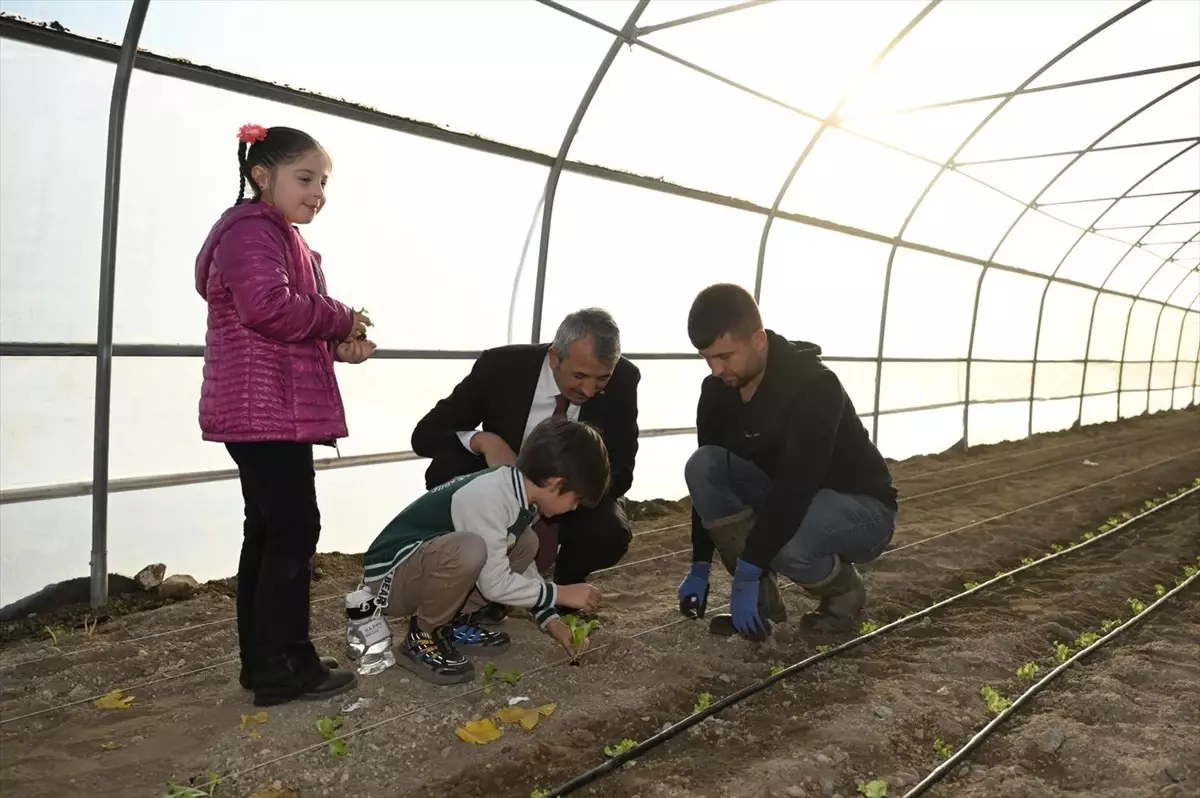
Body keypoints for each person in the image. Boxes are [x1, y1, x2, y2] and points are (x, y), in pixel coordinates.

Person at [196, 123, 375, 707]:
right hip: (263, 407)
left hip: (272, 406)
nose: (317, 192)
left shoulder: (282, 238)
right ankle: (287, 664)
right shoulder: (252, 229)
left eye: (323, 182)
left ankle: (263, 664)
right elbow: (267, 307)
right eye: (305, 178)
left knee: (269, 531)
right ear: (261, 175)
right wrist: (341, 317)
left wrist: (338, 344)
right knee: (294, 530)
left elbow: (292, 324)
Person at [676, 283, 898, 639]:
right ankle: (763, 609)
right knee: (703, 465)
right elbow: (711, 483)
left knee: (787, 542)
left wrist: (747, 569)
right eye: (707, 358)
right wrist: (700, 563)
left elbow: (797, 483)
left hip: (861, 508)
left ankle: (844, 593)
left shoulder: (814, 386)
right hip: (791, 498)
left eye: (725, 356)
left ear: (759, 340)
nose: (716, 370)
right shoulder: (717, 392)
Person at [411, 308, 639, 620]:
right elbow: (424, 435)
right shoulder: (501, 367)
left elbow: (622, 470)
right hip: (496, 494)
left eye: (602, 379)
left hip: (566, 499)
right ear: (554, 357)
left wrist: (560, 493)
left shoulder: (625, 380)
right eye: (580, 376)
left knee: (609, 531)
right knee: (448, 467)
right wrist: (485, 441)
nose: (589, 390)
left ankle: (559, 591)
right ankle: (471, 590)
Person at [344, 416, 609, 684]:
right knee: (471, 549)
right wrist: (561, 594)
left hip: (421, 571)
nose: (575, 508)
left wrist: (553, 622)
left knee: (526, 542)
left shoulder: (519, 498)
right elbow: (495, 584)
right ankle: (421, 635)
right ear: (555, 482)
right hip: (388, 580)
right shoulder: (489, 497)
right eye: (576, 500)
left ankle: (453, 622)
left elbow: (515, 567)